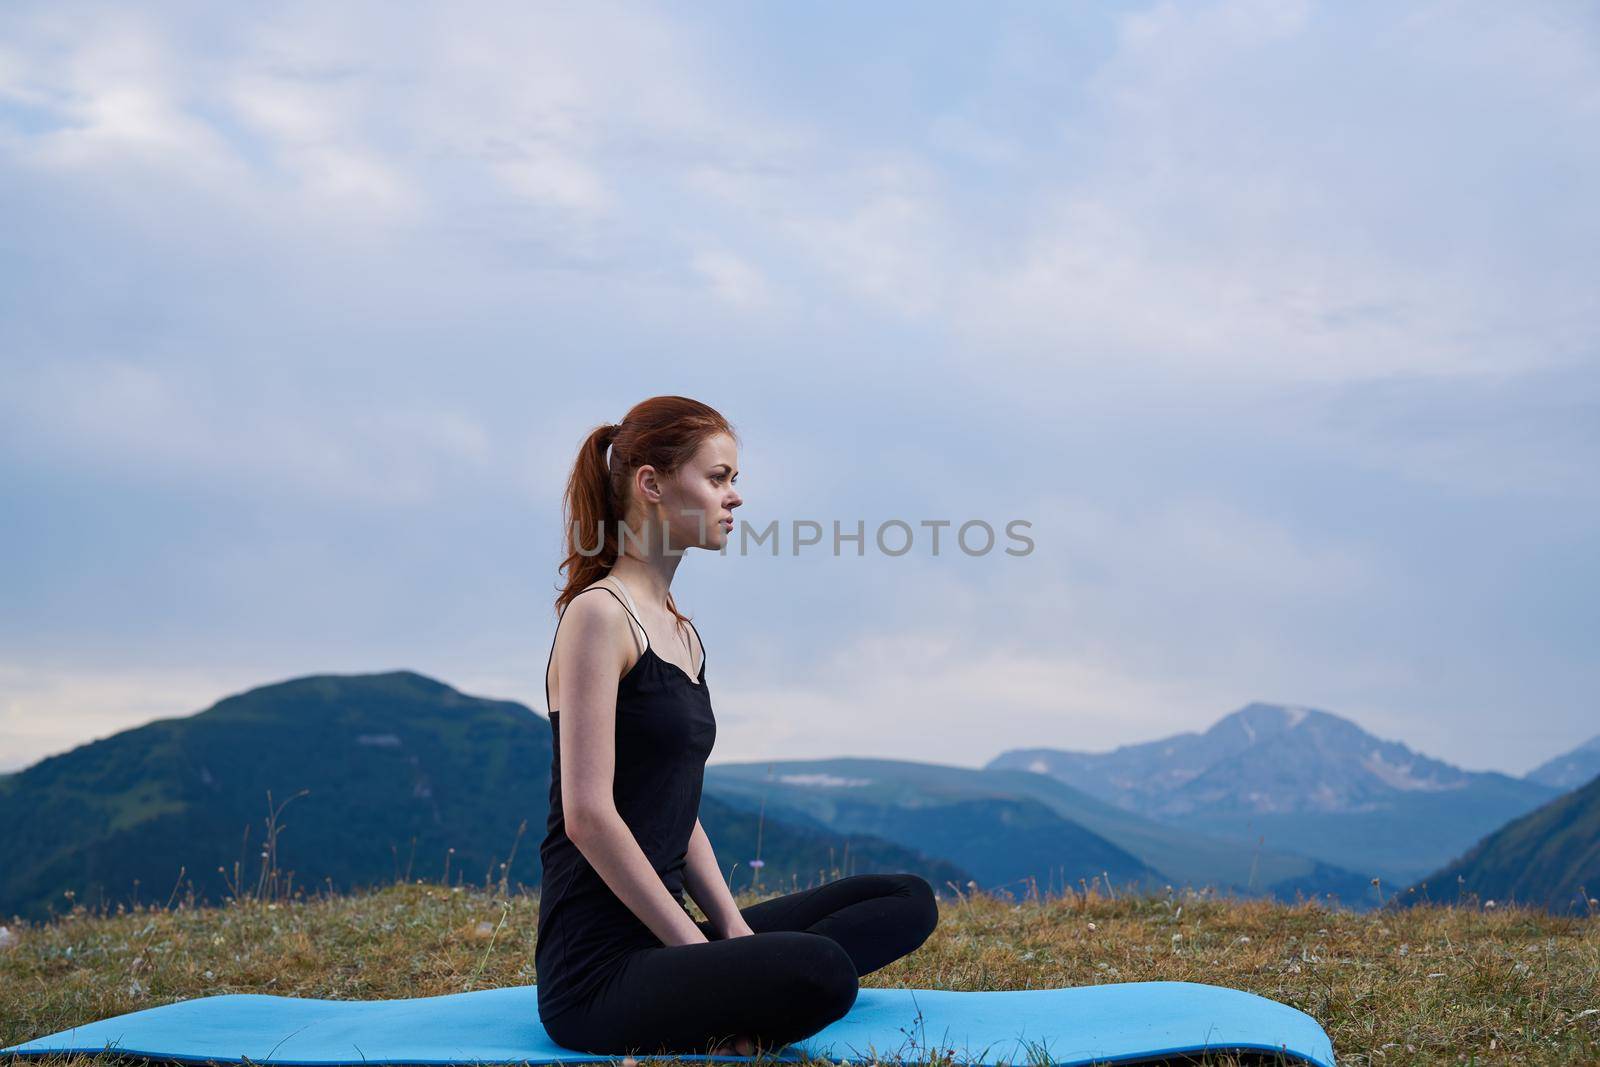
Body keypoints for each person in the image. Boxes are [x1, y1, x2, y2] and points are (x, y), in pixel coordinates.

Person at [534, 396, 940, 1057]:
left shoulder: (680, 631)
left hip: (665, 940)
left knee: (904, 898)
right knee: (823, 970)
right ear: (652, 484)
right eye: (718, 477)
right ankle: (741, 1016)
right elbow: (587, 815)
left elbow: (674, 801)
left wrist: (732, 937)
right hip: (596, 974)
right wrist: (697, 952)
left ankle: (742, 1007)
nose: (735, 497)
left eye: (733, 479)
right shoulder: (598, 617)